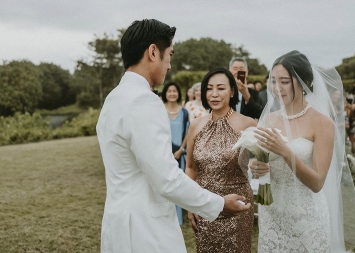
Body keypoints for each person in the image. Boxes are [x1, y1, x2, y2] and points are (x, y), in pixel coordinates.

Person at [96, 19, 250, 252]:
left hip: (118, 224)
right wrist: (218, 204)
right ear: (153, 52)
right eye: (169, 55)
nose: (169, 65)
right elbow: (166, 178)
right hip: (145, 231)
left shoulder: (113, 98)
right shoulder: (143, 101)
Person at [249, 50, 355, 252]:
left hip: (307, 217)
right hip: (272, 216)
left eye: (284, 82)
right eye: (274, 81)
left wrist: (286, 152)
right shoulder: (269, 119)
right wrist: (256, 167)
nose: (277, 89)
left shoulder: (322, 123)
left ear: (303, 82)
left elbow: (317, 182)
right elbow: (261, 165)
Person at [185, 67, 258, 252]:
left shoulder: (248, 123)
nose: (214, 94)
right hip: (204, 206)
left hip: (237, 206)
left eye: (221, 88)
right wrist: (190, 203)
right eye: (209, 88)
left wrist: (262, 165)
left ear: (232, 91)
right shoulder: (195, 125)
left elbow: (267, 158)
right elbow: (191, 168)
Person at [161, 81, 191, 226]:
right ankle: (164, 216)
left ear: (178, 93)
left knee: (177, 184)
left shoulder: (184, 112)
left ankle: (178, 219)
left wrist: (180, 150)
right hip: (163, 153)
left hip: (179, 153)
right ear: (165, 94)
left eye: (175, 91)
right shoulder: (159, 110)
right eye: (169, 91)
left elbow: (188, 132)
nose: (172, 93)